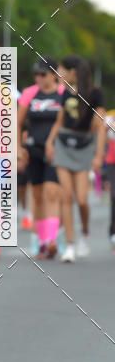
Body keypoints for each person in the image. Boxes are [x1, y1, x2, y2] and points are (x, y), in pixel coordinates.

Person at [45, 55, 106, 262]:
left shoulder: (95, 93)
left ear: (73, 72)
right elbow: (59, 121)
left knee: (81, 199)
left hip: (83, 146)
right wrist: (49, 142)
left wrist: (99, 155)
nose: (59, 74)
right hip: (63, 144)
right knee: (66, 196)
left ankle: (85, 231)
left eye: (62, 70)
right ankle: (69, 245)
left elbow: (101, 127)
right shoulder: (65, 93)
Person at [17, 58, 64, 259]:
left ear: (53, 74)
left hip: (56, 150)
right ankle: (41, 240)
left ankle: (52, 239)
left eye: (43, 74)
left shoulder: (63, 93)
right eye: (36, 74)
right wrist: (18, 147)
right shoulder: (30, 93)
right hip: (33, 149)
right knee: (37, 195)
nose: (39, 78)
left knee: (51, 192)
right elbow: (17, 123)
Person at [102, 109, 115, 250]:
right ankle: (113, 232)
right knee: (114, 197)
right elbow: (103, 137)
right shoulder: (110, 116)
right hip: (112, 162)